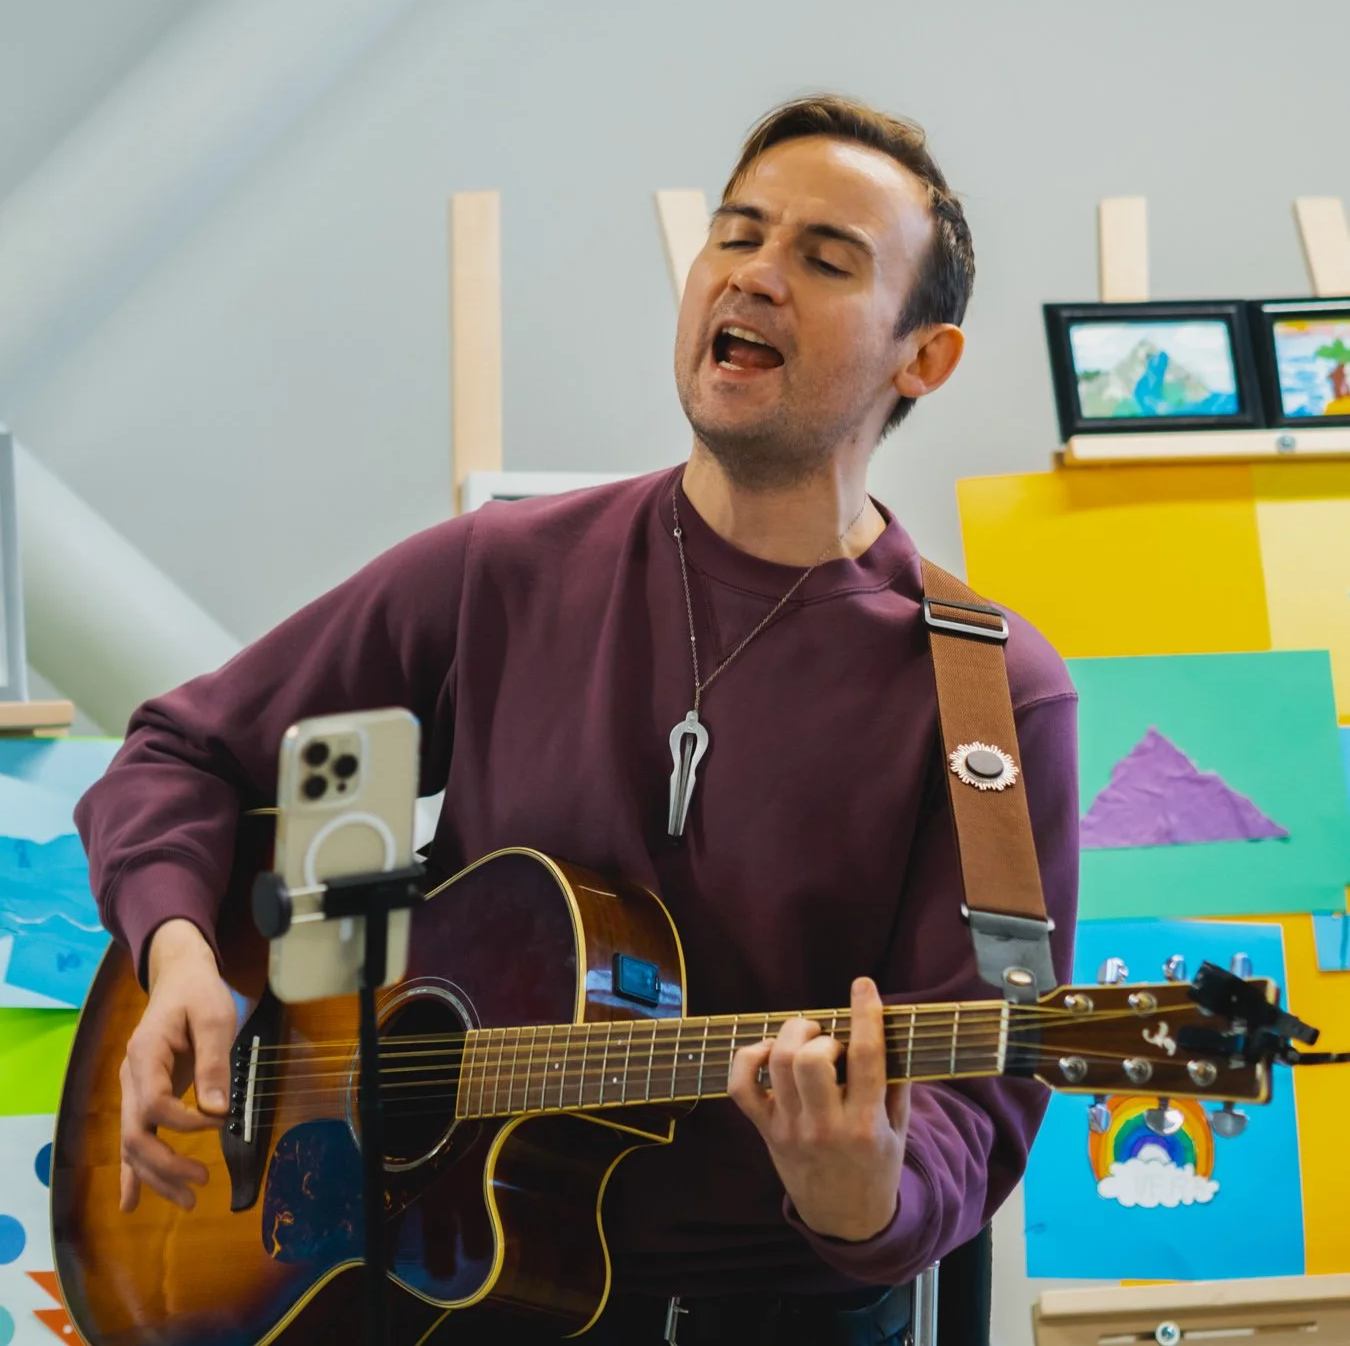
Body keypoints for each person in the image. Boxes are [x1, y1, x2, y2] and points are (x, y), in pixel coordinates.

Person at [75, 94, 1079, 1345]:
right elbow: (184, 754)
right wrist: (179, 958)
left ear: (923, 358)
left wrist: (867, 1194)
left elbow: (977, 1094)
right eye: (737, 235)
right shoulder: (499, 573)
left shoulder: (988, 695)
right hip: (441, 1308)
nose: (756, 275)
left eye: (826, 260)